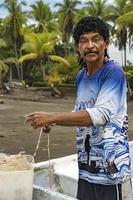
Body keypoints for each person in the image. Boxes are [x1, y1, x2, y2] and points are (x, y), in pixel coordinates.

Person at [26, 16, 131, 200]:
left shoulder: (113, 73)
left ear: (106, 43)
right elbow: (80, 112)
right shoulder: (81, 76)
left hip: (111, 172)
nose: (90, 45)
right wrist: (54, 122)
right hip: (85, 169)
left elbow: (100, 115)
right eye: (84, 40)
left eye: (96, 39)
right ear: (77, 47)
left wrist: (53, 117)